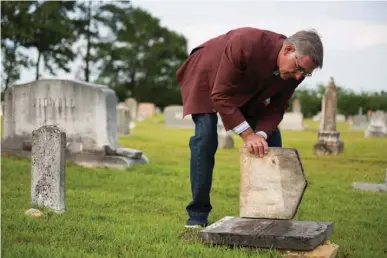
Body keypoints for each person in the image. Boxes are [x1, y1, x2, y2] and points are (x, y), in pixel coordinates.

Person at [175, 27, 323, 228]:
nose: (299, 77)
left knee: (270, 139)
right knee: (205, 138)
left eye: (305, 73)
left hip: (245, 83)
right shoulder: (246, 43)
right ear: (287, 50)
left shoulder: (295, 72)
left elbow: (277, 107)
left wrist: (259, 134)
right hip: (206, 71)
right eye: (298, 68)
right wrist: (247, 134)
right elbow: (220, 95)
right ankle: (198, 213)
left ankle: (270, 209)